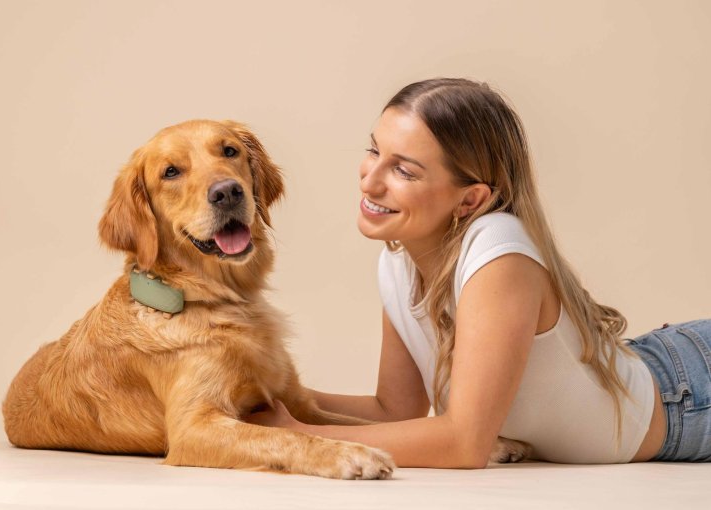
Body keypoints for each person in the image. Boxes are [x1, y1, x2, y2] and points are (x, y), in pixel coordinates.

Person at [245, 78, 711, 468]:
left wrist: (299, 436)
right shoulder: (398, 259)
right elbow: (396, 409)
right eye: (374, 151)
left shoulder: (498, 251)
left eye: (404, 171)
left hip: (688, 395)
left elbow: (465, 443)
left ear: (470, 200)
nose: (370, 180)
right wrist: (266, 402)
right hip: (660, 365)